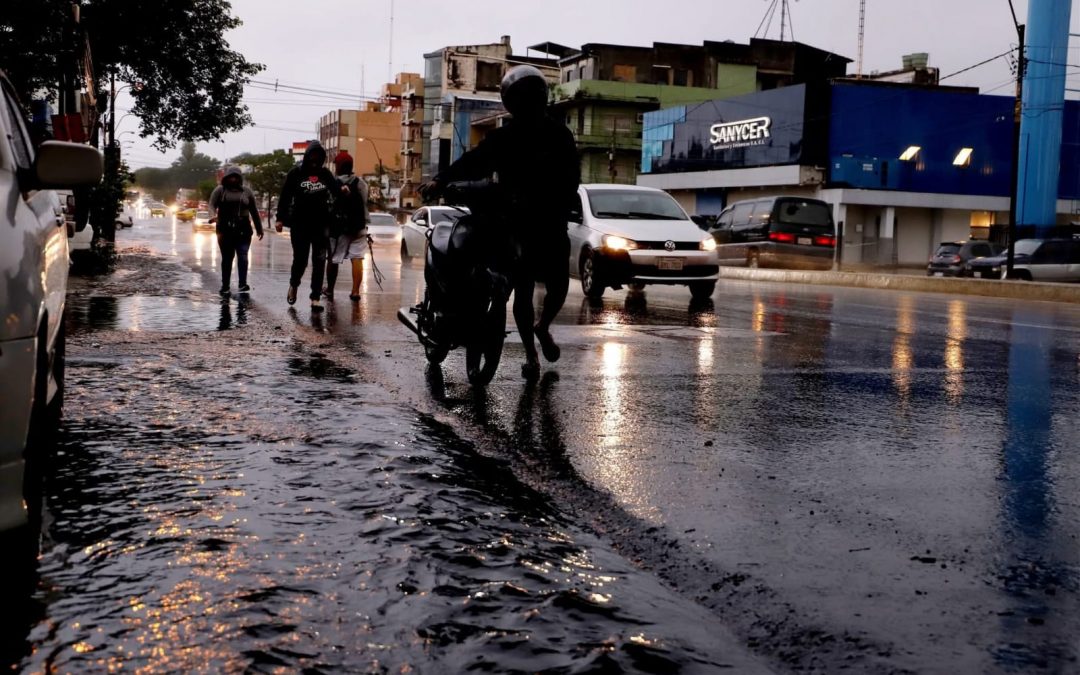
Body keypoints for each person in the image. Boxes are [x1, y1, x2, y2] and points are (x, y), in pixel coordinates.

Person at [423, 65, 580, 379]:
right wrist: (441, 180)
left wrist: (559, 201)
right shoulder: (504, 137)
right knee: (521, 291)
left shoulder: (560, 134)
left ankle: (543, 327)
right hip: (515, 226)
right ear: (513, 102)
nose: (530, 102)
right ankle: (531, 356)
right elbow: (473, 162)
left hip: (551, 223)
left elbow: (572, 179)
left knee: (558, 285)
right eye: (523, 97)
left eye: (533, 95)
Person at [275, 141, 342, 311]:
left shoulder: (326, 174)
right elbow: (285, 197)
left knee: (319, 261)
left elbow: (337, 192)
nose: (315, 160)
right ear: (306, 156)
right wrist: (280, 218)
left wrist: (343, 191)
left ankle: (315, 298)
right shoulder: (296, 173)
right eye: (312, 156)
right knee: (301, 260)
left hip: (320, 224)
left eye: (318, 157)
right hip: (299, 224)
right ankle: (294, 285)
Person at [208, 165, 263, 296]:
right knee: (227, 258)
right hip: (224, 229)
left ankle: (242, 283)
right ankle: (225, 285)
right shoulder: (220, 191)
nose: (233, 179)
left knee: (243, 255)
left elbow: (254, 211)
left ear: (239, 178)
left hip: (243, 229)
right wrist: (212, 216)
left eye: (235, 177)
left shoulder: (247, 192)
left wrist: (259, 228)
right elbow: (211, 204)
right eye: (230, 177)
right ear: (226, 178)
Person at [324, 150, 370, 301]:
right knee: (357, 258)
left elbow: (329, 206)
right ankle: (356, 291)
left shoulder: (333, 184)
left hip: (339, 229)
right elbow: (364, 203)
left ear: (338, 166)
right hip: (358, 227)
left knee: (333, 259)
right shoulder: (361, 183)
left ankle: (330, 290)